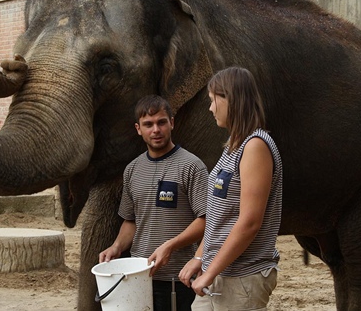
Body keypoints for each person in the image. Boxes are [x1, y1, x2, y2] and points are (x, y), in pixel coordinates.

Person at [179, 67, 283, 311]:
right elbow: (219, 217)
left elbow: (249, 222)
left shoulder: (256, 146)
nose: (211, 108)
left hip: (242, 278)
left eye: (213, 100)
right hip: (217, 273)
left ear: (231, 100)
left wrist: (209, 271)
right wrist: (199, 258)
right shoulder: (233, 146)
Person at [99, 95, 209, 311]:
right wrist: (116, 246)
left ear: (172, 123)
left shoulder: (192, 166)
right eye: (148, 125)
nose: (156, 130)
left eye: (161, 122)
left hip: (179, 278)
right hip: (138, 277)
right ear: (138, 129)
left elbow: (206, 221)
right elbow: (131, 221)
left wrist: (170, 245)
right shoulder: (132, 170)